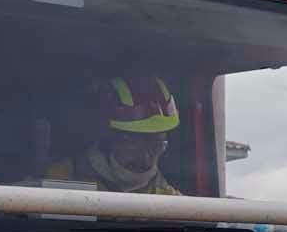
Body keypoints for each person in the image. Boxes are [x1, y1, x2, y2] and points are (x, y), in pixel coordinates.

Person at [44, 76, 183, 195]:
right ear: (106, 139)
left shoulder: (169, 199)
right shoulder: (58, 182)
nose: (146, 158)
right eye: (133, 144)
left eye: (156, 146)